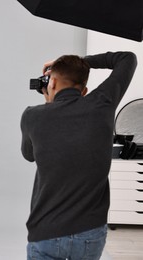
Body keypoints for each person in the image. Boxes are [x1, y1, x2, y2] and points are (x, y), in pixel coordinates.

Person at [20, 51, 137, 260]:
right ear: (84, 91)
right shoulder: (102, 103)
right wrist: (84, 63)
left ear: (51, 82)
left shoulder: (32, 116)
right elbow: (128, 58)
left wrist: (49, 104)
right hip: (89, 232)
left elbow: (29, 155)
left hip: (45, 230)